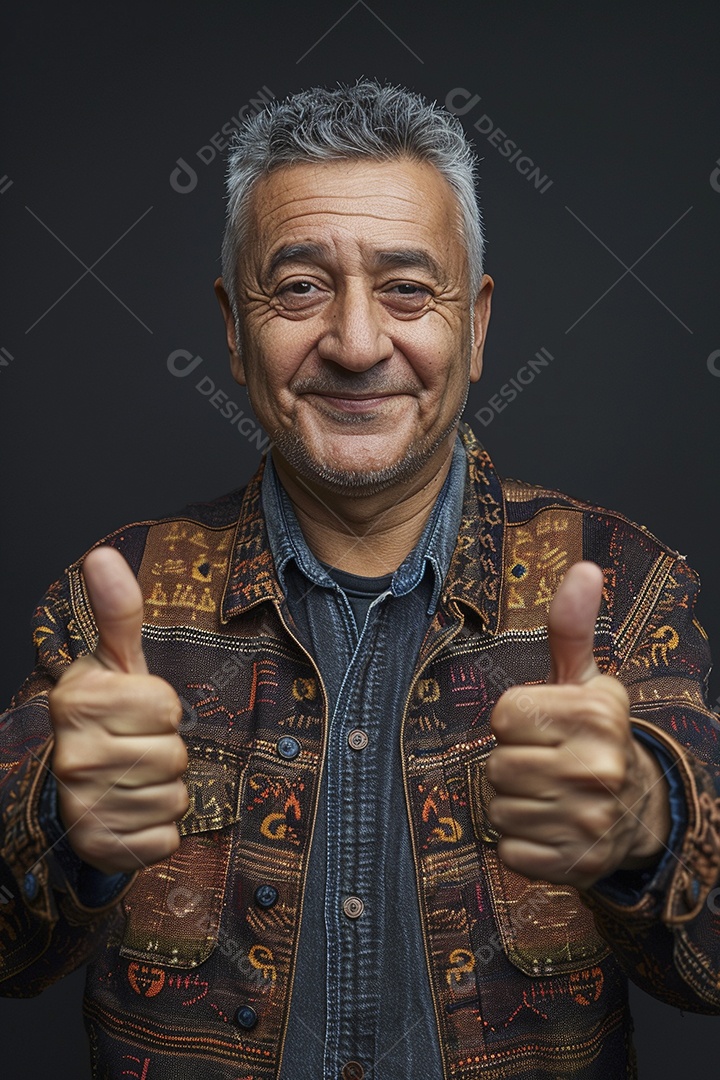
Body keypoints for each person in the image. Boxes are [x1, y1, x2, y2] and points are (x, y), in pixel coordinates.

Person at [1, 80, 719, 1080]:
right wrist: (55, 825)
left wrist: (648, 822)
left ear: (474, 323)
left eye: (407, 289)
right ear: (232, 324)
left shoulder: (626, 588)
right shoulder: (108, 596)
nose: (353, 342)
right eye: (298, 286)